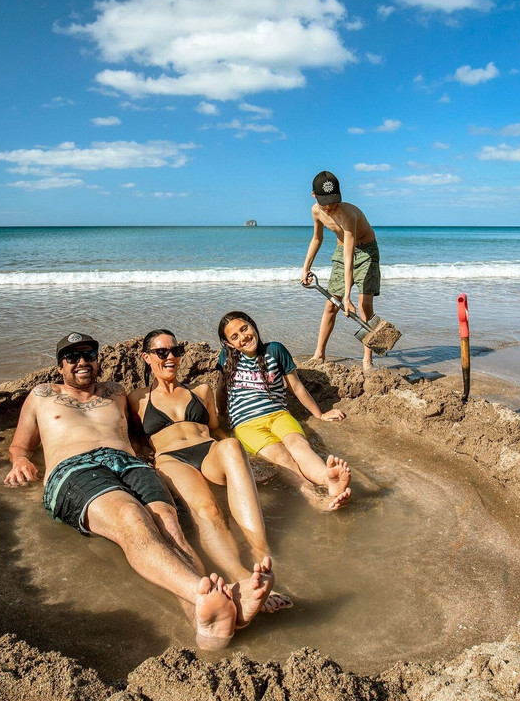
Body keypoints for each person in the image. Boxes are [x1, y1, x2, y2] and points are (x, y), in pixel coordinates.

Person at [3, 331, 273, 650]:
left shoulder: (116, 392)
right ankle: (205, 595)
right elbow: (19, 446)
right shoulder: (42, 395)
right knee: (131, 516)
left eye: (89, 355)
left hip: (129, 464)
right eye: (72, 357)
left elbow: (146, 432)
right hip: (75, 467)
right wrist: (20, 461)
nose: (82, 361)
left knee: (172, 529)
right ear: (60, 365)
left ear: (98, 360)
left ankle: (209, 627)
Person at [129, 329, 291, 613]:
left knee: (230, 445)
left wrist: (245, 459)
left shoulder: (200, 391)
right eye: (162, 352)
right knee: (207, 508)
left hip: (207, 451)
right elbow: (134, 438)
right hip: (171, 459)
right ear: (147, 357)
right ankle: (239, 574)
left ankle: (261, 551)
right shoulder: (137, 399)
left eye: (176, 351)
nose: (171, 357)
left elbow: (216, 429)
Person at [217, 311, 352, 511]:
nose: (243, 337)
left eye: (244, 329)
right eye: (234, 336)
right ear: (228, 344)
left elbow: (296, 387)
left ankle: (328, 478)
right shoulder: (226, 358)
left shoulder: (275, 350)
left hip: (278, 415)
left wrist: (320, 414)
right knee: (280, 457)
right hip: (246, 424)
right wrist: (220, 416)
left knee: (299, 445)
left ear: (252, 325)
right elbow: (221, 389)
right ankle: (313, 497)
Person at [301, 170, 381, 372]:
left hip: (366, 251)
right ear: (314, 196)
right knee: (331, 305)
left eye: (333, 202)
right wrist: (306, 267)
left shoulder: (347, 215)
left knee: (364, 304)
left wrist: (347, 297)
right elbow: (317, 239)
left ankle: (367, 360)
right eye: (324, 203)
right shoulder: (316, 211)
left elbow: (349, 257)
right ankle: (319, 354)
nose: (329, 207)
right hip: (341, 249)